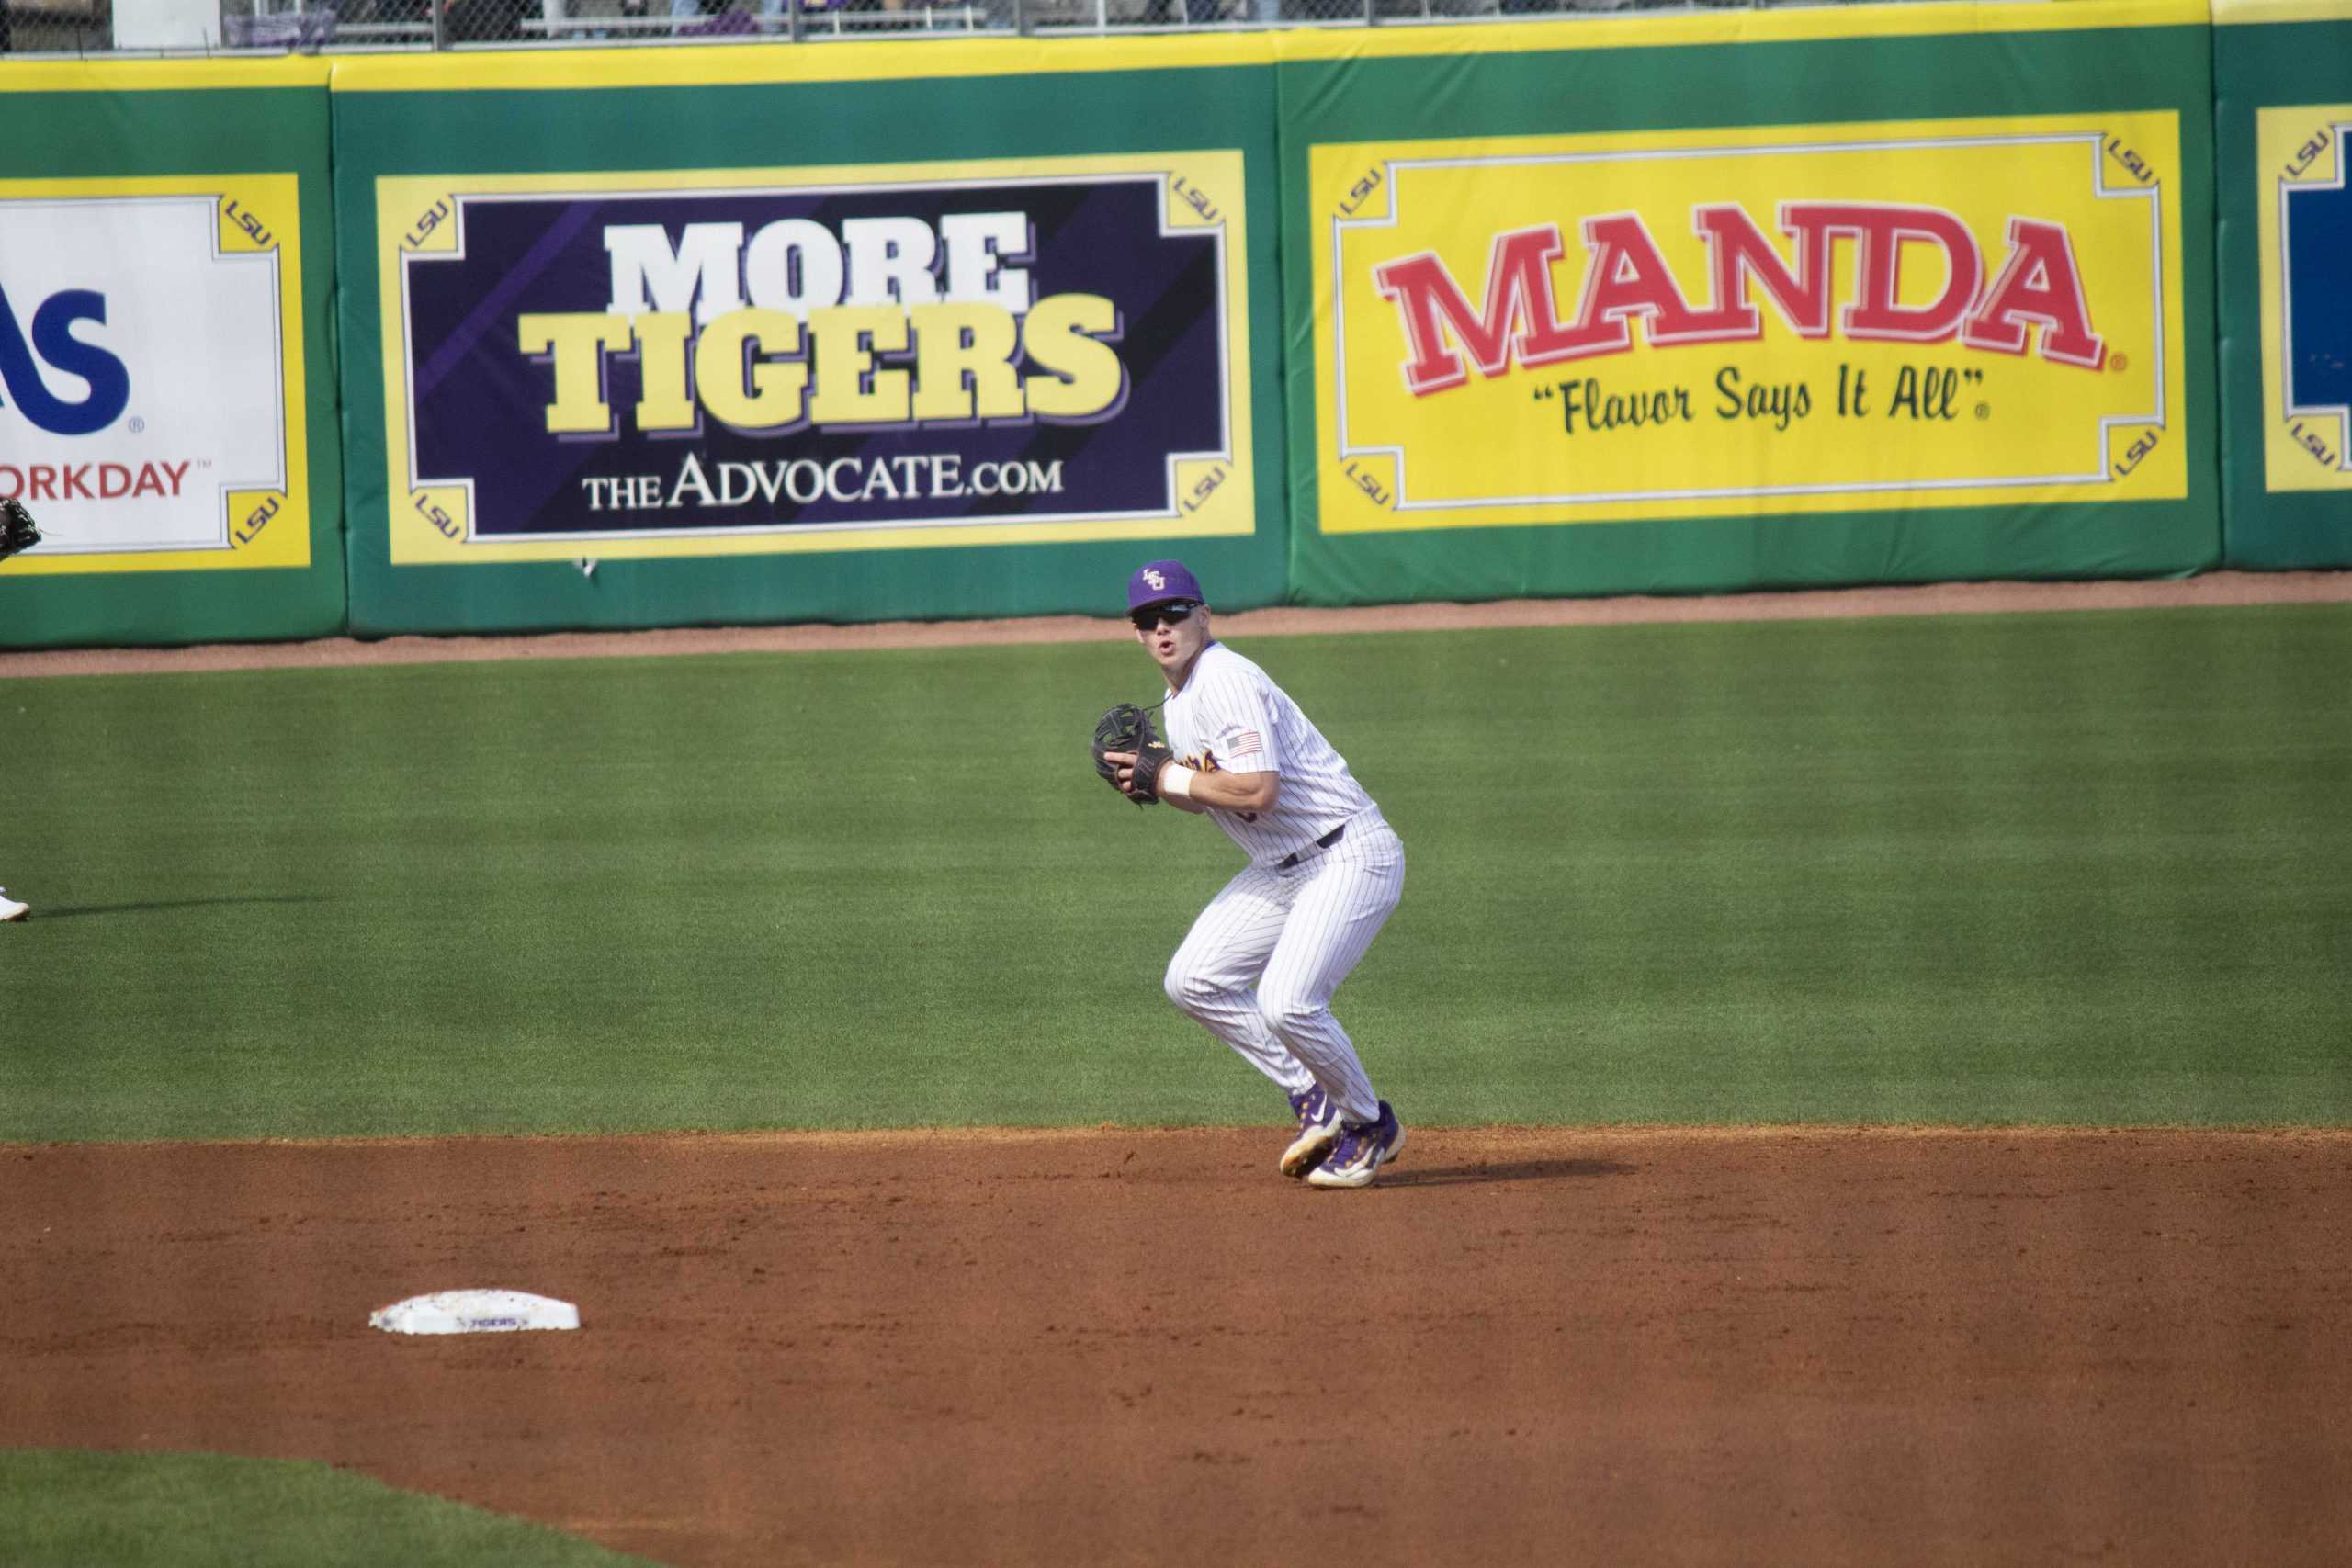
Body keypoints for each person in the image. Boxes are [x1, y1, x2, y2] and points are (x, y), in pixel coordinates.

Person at [1103, 559, 1408, 1189]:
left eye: (1175, 613)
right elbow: (1208, 792)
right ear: (1136, 633)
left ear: (1205, 615)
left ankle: (1369, 1122)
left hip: (1348, 853)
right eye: (1147, 620)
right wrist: (1161, 782)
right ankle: (1312, 1095)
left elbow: (1259, 790)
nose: (1162, 628)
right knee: (1194, 978)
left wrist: (1167, 776)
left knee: (1288, 1001)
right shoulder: (1179, 700)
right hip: (1283, 866)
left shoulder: (1226, 678)